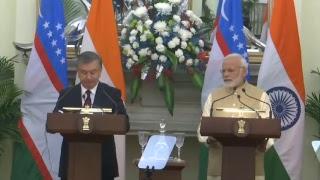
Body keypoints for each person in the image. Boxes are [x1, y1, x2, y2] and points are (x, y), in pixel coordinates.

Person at [53, 51, 129, 180]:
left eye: (93, 72)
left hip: (104, 163)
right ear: (78, 71)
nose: (88, 77)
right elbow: (54, 121)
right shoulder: (66, 94)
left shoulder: (111, 94)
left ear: (100, 71)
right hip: (72, 162)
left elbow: (125, 124)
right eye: (84, 72)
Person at [197, 53, 273, 180]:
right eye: (223, 71)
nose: (225, 74)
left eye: (230, 70)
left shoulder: (261, 97)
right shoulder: (214, 97)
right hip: (218, 170)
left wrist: (263, 143)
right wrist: (208, 139)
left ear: (243, 72)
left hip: (252, 169)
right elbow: (202, 130)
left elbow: (270, 132)